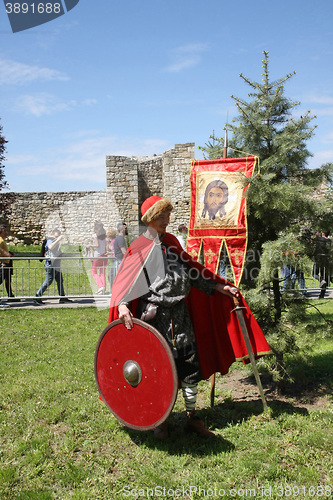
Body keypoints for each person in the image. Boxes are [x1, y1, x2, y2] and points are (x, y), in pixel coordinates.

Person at [109, 196, 271, 439]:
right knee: (159, 369)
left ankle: (191, 418)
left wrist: (218, 287)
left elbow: (192, 271)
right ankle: (160, 421)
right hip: (156, 317)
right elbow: (126, 282)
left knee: (189, 366)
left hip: (181, 316)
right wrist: (122, 305)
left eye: (167, 215)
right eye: (162, 216)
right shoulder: (140, 247)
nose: (167, 219)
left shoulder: (172, 242)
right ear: (151, 219)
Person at [34, 229, 72, 305]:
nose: (57, 238)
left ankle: (62, 297)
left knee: (60, 281)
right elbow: (50, 247)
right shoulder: (50, 240)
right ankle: (37, 296)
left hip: (57, 264)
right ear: (52, 234)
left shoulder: (55, 241)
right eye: (56, 236)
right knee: (48, 281)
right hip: (50, 265)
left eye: (58, 236)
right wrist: (58, 239)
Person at [0, 223, 18, 305]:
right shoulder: (0, 240)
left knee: (8, 280)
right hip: (3, 264)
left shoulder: (2, 240)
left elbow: (3, 251)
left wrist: (9, 253)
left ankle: (10, 296)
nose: (6, 232)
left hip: (7, 263)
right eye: (5, 231)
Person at [89, 221, 107, 294]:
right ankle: (103, 287)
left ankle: (100, 286)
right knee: (102, 272)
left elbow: (97, 245)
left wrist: (90, 246)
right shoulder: (104, 233)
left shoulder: (95, 235)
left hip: (98, 255)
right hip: (104, 255)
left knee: (93, 271)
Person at [312, 231, 332, 298]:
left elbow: (312, 242)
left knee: (314, 273)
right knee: (325, 277)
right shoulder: (329, 241)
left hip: (318, 260)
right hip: (327, 261)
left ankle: (321, 280)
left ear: (323, 233)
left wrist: (316, 235)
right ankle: (322, 295)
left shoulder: (319, 240)